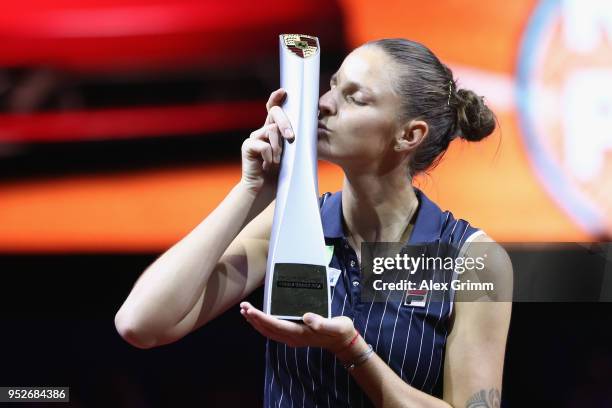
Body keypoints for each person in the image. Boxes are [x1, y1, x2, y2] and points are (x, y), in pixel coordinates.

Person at [115, 38, 512, 408]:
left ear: (409, 135)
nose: (324, 104)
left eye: (354, 98)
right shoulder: (289, 221)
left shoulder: (472, 257)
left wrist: (353, 351)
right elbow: (142, 324)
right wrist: (252, 188)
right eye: (333, 86)